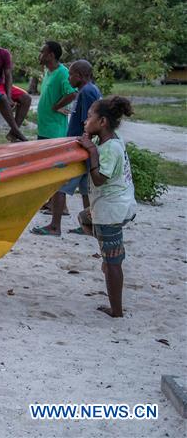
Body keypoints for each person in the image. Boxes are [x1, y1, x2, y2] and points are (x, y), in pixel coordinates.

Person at [76, 97, 137, 318]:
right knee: (84, 217)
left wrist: (91, 151)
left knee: (112, 263)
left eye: (90, 116)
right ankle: (110, 256)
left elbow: (100, 178)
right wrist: (90, 143)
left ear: (102, 121)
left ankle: (116, 310)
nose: (85, 120)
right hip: (115, 206)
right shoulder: (111, 141)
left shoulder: (108, 148)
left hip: (112, 209)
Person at [31, 59, 101, 236]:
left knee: (60, 183)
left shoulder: (86, 92)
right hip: (82, 146)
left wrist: (82, 144)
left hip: (78, 147)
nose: (68, 78)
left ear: (81, 75)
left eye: (71, 74)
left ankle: (55, 226)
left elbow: (89, 122)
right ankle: (89, 225)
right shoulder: (86, 90)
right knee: (85, 188)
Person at [35, 41, 77, 140]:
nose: (39, 55)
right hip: (43, 128)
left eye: (42, 52)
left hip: (54, 131)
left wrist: (56, 107)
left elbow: (72, 93)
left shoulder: (63, 72)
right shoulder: (48, 71)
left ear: (51, 55)